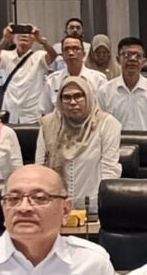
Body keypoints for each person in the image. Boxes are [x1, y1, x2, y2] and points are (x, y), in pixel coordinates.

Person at [36, 78, 121, 212]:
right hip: (55, 206)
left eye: (78, 96)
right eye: (66, 97)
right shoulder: (48, 125)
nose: (73, 102)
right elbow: (40, 168)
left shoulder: (106, 124)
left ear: (88, 97)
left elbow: (109, 171)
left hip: (94, 206)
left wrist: (104, 205)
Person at [0, 24, 55, 127]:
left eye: (28, 32)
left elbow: (53, 56)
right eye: (20, 32)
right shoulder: (6, 55)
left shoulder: (39, 56)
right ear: (13, 39)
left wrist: (42, 41)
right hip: (10, 111)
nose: (24, 35)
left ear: (33, 39)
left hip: (32, 113)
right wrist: (4, 39)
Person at [99, 38, 147, 133]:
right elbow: (99, 127)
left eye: (137, 56)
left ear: (143, 61)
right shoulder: (104, 92)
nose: (132, 59)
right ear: (118, 59)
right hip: (115, 142)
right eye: (127, 55)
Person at [53, 35, 104, 101]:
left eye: (76, 49)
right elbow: (44, 107)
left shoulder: (98, 80)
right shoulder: (53, 81)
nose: (71, 53)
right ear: (62, 55)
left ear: (84, 54)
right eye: (66, 49)